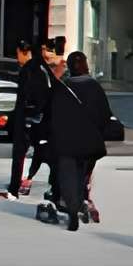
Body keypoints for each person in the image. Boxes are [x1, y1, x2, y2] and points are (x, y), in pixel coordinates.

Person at [44, 50, 112, 232]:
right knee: (82, 173)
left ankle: (71, 209)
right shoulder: (95, 88)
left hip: (66, 141)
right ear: (85, 66)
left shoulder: (62, 89)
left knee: (67, 175)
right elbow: (105, 115)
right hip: (89, 142)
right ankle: (80, 200)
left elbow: (51, 116)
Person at [5, 38, 53, 198]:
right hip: (40, 119)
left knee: (19, 154)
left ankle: (14, 188)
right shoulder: (42, 67)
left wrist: (27, 116)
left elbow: (28, 96)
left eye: (18, 53)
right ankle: (31, 181)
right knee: (42, 153)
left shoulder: (29, 69)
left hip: (28, 118)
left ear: (24, 52)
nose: (17, 57)